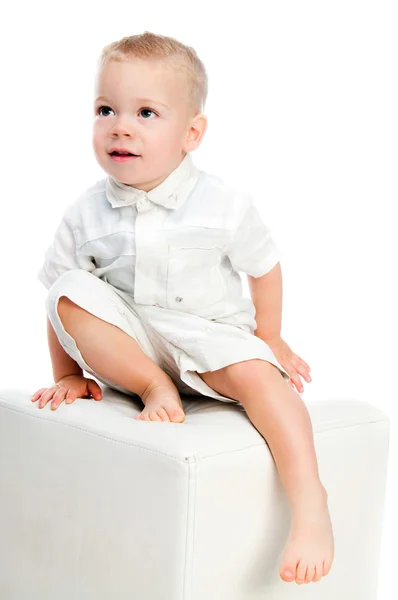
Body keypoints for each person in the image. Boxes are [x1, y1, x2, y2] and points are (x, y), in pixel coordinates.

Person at [32, 31, 334, 585]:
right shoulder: (84, 213)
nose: (121, 126)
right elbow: (59, 298)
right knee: (69, 286)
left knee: (267, 383)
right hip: (132, 347)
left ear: (192, 133)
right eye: (106, 110)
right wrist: (68, 373)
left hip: (208, 336)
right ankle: (154, 387)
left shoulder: (223, 202)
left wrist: (272, 337)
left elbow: (264, 267)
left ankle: (311, 504)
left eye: (147, 112)